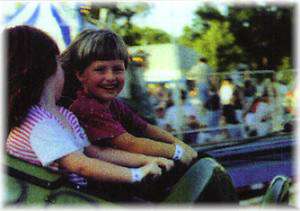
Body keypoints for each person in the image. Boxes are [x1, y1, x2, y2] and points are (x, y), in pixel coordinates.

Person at [6, 25, 165, 189]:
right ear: (47, 69)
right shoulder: (38, 125)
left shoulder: (64, 115)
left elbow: (95, 153)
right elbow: (81, 164)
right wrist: (137, 174)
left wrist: (145, 160)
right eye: (59, 63)